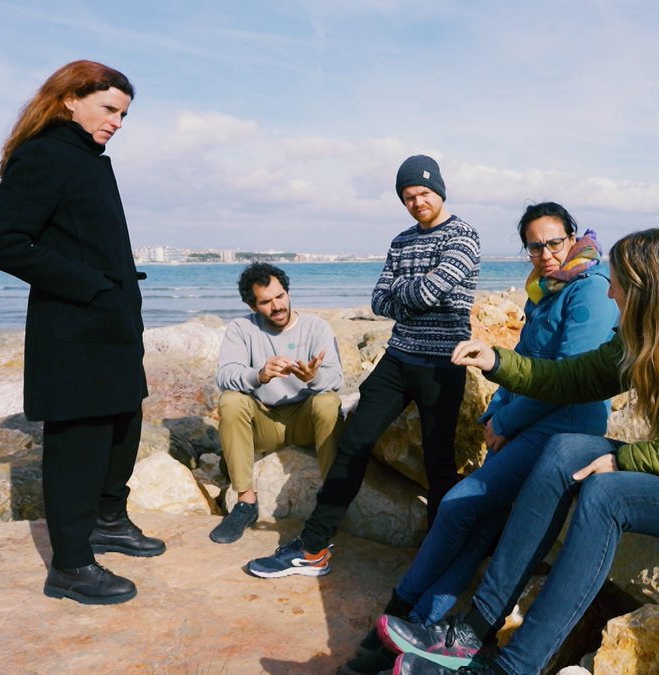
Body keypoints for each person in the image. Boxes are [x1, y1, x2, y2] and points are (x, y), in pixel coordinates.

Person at [376, 228, 659, 674]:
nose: (611, 291)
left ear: (646, 288)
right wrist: (498, 361)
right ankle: (472, 632)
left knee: (606, 495)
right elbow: (577, 378)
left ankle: (512, 667)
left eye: (617, 283)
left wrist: (627, 458)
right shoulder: (651, 326)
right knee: (564, 450)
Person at [341, 203, 619, 674]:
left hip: (565, 426)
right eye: (535, 246)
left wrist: (508, 424)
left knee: (459, 504)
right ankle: (411, 627)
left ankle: (402, 614)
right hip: (529, 418)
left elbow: (571, 379)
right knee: (477, 526)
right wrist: (495, 411)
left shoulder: (589, 293)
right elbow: (525, 361)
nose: (546, 253)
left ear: (573, 237)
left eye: (554, 242)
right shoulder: (545, 291)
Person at [0, 60, 163, 606]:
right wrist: (90, 286)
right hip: (75, 327)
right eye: (109, 108)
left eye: (124, 114)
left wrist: (118, 296)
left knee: (124, 423)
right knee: (77, 442)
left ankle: (108, 519)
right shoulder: (45, 154)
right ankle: (71, 565)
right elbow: (1, 241)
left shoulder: (86, 158)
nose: (118, 122)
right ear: (68, 100)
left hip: (111, 324)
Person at [245, 155, 480, 578]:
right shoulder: (401, 241)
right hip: (398, 358)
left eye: (423, 193)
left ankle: (438, 558)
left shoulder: (463, 236)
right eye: (408, 197)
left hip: (443, 363)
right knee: (353, 442)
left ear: (440, 191)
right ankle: (313, 547)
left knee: (438, 460)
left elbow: (426, 292)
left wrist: (410, 293)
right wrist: (417, 294)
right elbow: (379, 301)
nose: (416, 202)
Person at [209, 262, 345, 544]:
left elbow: (336, 378)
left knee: (328, 402)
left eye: (280, 296)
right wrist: (258, 375)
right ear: (252, 304)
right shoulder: (241, 328)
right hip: (265, 423)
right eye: (266, 302)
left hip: (304, 420)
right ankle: (246, 502)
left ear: (287, 291)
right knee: (231, 401)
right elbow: (225, 376)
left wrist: (312, 377)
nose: (277, 306)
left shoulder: (315, 327)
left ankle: (331, 500)